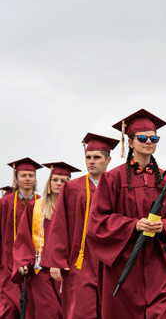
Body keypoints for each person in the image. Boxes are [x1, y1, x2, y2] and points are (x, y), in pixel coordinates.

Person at [87, 109, 166, 319]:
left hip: (158, 265)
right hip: (124, 264)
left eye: (154, 138)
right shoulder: (113, 179)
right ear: (130, 142)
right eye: (142, 138)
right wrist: (132, 225)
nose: (148, 142)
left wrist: (164, 226)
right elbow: (97, 221)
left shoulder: (165, 180)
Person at [40, 133, 118, 319]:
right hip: (80, 259)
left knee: (112, 310)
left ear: (108, 160)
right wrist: (57, 261)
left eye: (97, 157)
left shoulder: (117, 185)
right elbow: (59, 225)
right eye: (88, 157)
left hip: (111, 260)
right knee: (82, 310)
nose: (91, 162)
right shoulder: (72, 187)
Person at [13, 162, 81, 319]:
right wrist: (23, 261)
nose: (58, 184)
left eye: (63, 181)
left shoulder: (74, 207)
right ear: (49, 182)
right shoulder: (36, 206)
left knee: (68, 311)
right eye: (55, 179)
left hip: (66, 269)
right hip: (41, 269)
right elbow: (24, 237)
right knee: (49, 312)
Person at [0, 158, 43, 318]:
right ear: (16, 178)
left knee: (33, 307)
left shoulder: (42, 202)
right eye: (23, 175)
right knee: (9, 308)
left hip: (35, 264)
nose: (27, 179)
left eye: (31, 175)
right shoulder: (4, 203)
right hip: (8, 264)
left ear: (35, 178)